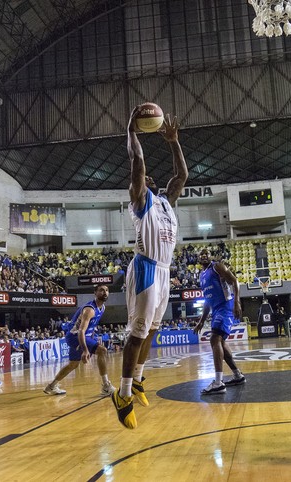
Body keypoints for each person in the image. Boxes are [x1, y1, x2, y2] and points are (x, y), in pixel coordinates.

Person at [112, 106, 188, 429]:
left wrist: (173, 141)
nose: (145, 178)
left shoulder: (167, 202)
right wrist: (131, 131)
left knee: (153, 329)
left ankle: (139, 378)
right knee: (137, 333)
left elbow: (182, 175)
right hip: (145, 268)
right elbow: (138, 163)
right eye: (141, 178)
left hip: (165, 270)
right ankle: (123, 394)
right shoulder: (140, 200)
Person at [44, 284, 116, 396]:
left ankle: (51, 386)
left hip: (82, 336)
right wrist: (86, 350)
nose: (105, 292)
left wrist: (92, 339)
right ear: (95, 293)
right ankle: (106, 386)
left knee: (73, 364)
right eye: (101, 290)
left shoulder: (102, 308)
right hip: (75, 336)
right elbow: (81, 331)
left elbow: (91, 327)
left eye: (107, 290)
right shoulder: (89, 310)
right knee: (102, 351)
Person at [193, 249, 245, 394]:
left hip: (226, 306)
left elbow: (234, 281)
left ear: (211, 257)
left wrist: (237, 302)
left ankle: (218, 382)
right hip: (216, 308)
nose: (204, 255)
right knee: (220, 342)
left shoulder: (217, 267)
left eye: (206, 253)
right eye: (201, 254)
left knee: (215, 338)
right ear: (198, 258)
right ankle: (237, 375)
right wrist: (202, 321)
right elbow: (207, 301)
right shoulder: (202, 275)